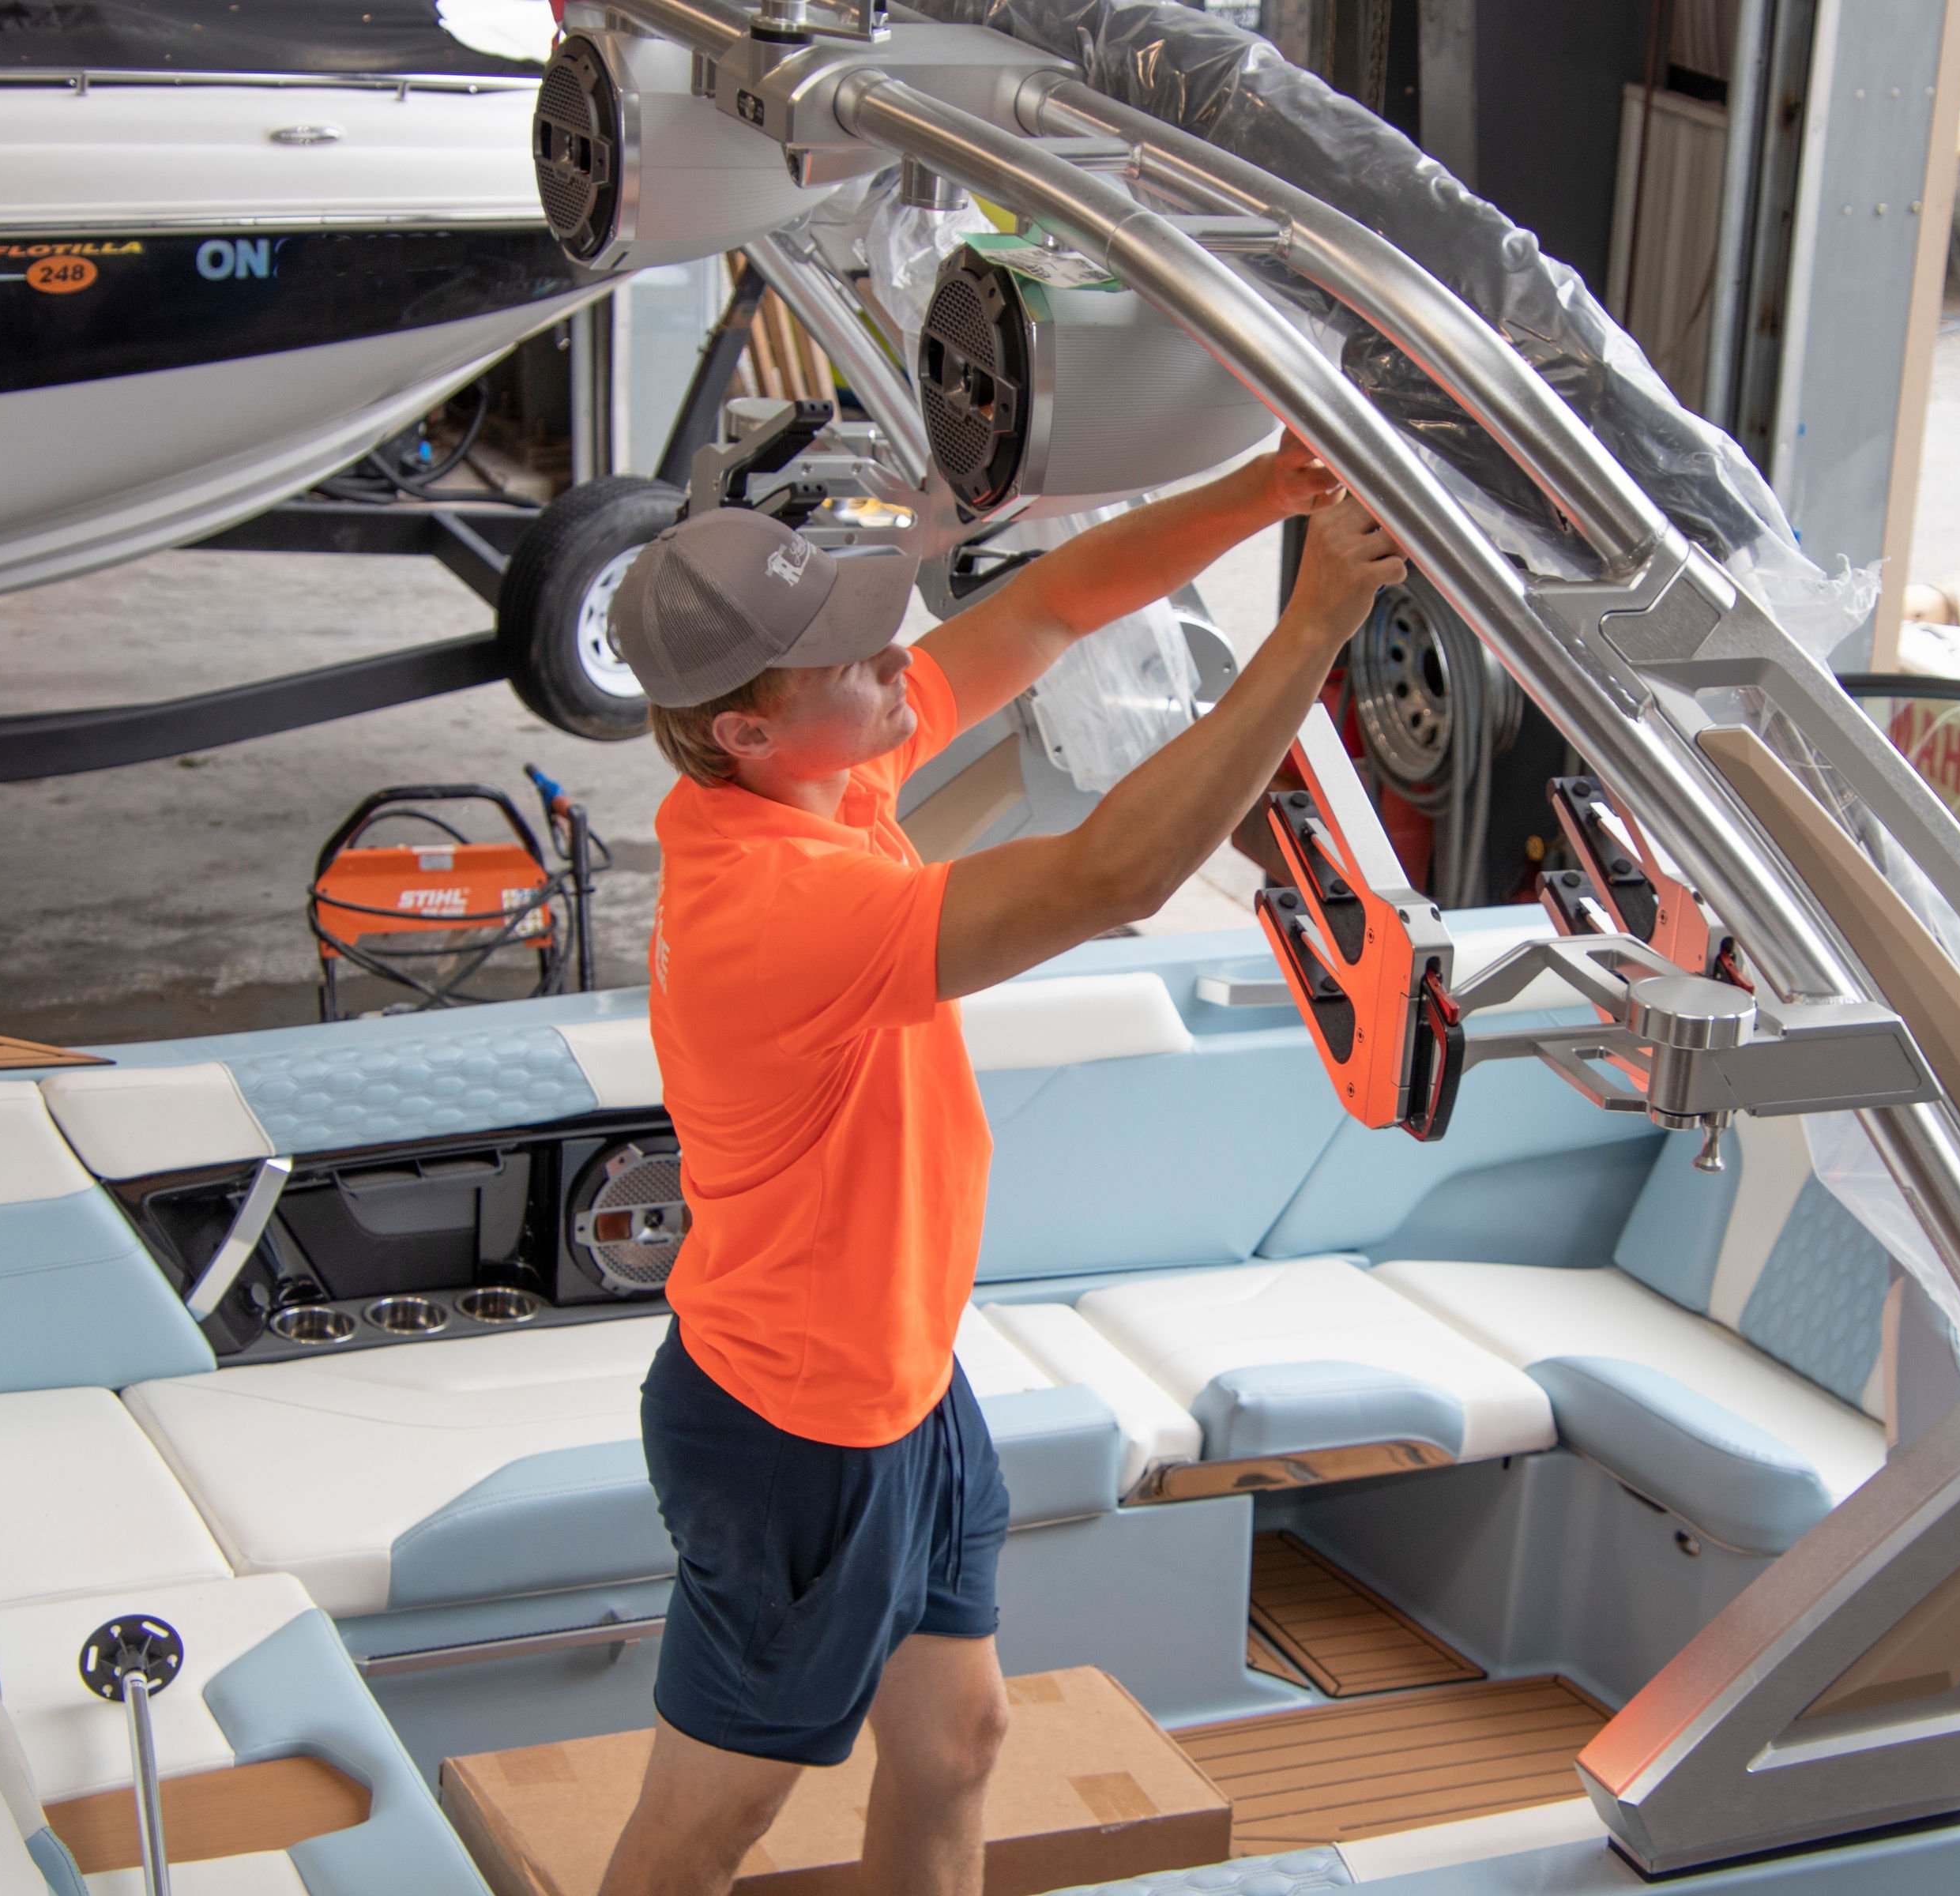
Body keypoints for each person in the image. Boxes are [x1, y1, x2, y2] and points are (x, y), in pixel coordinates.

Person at [594, 441, 1402, 1896]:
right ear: (745, 732)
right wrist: (1314, 628)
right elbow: (1113, 878)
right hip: (796, 1432)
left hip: (900, 1377)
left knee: (960, 1739)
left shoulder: (820, 781)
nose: (892, 656)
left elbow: (1050, 608)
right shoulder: (778, 907)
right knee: (703, 1834)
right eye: (844, 656)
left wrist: (1264, 493)